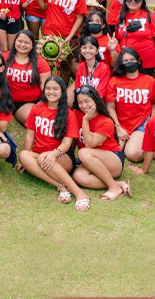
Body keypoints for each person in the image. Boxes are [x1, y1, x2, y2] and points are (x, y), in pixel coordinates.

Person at [18, 76, 90, 212]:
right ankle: (60, 186)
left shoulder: (69, 114)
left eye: (55, 89)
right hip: (39, 155)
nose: (51, 92)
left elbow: (67, 142)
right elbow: (29, 135)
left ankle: (79, 193)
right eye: (48, 88)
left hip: (62, 157)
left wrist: (53, 154)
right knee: (23, 155)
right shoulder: (37, 108)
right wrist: (24, 159)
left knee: (42, 158)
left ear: (62, 92)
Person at [71, 85, 130, 201]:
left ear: (96, 101)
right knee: (79, 177)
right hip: (91, 159)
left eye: (87, 101)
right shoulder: (76, 114)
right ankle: (118, 184)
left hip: (113, 160)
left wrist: (85, 120)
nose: (83, 106)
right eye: (80, 102)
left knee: (83, 152)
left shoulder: (106, 121)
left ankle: (114, 188)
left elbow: (89, 144)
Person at [105, 48, 155, 162]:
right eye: (125, 61)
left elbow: (154, 103)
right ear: (121, 64)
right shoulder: (114, 81)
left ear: (138, 61)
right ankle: (147, 146)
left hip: (141, 123)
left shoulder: (150, 81)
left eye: (132, 59)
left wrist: (152, 118)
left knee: (133, 154)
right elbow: (110, 107)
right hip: (120, 123)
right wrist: (118, 127)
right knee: (113, 152)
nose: (129, 63)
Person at [35, 0, 87, 78]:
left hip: (67, 37)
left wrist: (69, 37)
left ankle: (62, 94)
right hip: (49, 34)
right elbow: (43, 7)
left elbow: (80, 17)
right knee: (46, 66)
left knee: (65, 67)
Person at [114, 0, 155, 75]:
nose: (133, 1)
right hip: (126, 62)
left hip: (146, 63)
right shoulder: (120, 18)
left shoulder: (150, 16)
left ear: (142, 2)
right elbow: (118, 40)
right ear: (125, 1)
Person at [6, 30, 51, 126]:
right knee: (36, 121)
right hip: (18, 103)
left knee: (50, 119)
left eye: (27, 42)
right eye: (20, 41)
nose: (22, 45)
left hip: (37, 99)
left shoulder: (40, 62)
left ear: (32, 46)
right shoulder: (5, 58)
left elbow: (45, 86)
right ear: (15, 42)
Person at [68, 36, 112, 105]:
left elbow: (100, 95)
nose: (87, 51)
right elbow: (77, 88)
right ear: (81, 50)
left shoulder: (104, 68)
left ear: (97, 51)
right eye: (84, 48)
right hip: (82, 103)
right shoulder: (81, 66)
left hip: (97, 105)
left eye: (91, 48)